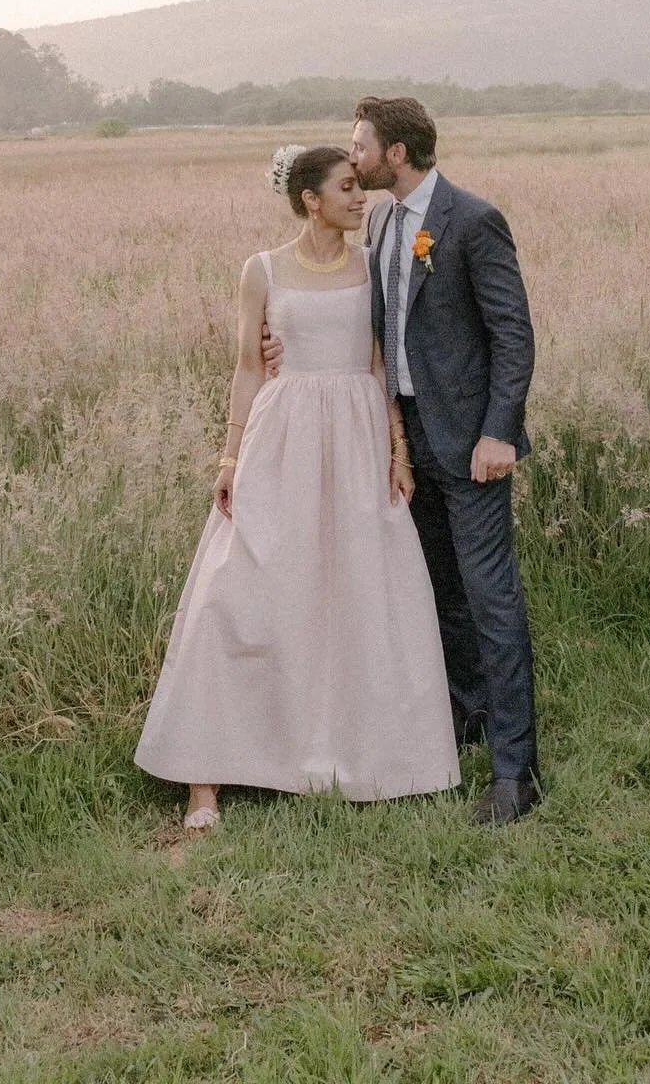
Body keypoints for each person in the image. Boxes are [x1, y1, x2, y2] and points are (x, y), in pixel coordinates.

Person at [134, 144, 460, 830]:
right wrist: (229, 461)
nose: (358, 197)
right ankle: (204, 781)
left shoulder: (373, 268)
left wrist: (397, 452)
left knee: (362, 590)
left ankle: (371, 754)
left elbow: (378, 365)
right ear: (311, 198)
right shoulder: (263, 270)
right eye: (346, 188)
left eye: (358, 186)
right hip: (281, 439)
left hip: (357, 436)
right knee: (237, 593)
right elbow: (248, 367)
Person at [264, 96, 540, 826]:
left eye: (360, 145)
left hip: (472, 444)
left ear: (394, 153)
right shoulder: (381, 222)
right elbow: (359, 320)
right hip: (401, 443)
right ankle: (463, 716)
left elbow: (513, 335)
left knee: (492, 599)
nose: (351, 157)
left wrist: (499, 432)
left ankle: (518, 772)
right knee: (435, 594)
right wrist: (282, 348)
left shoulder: (472, 220)